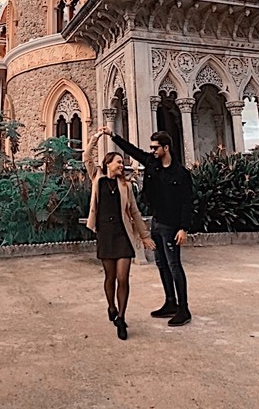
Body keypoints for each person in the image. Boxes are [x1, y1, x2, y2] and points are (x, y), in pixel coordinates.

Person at [101, 127, 193, 327]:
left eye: (155, 147)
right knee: (161, 264)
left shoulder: (181, 173)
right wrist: (113, 135)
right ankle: (170, 302)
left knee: (174, 265)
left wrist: (183, 228)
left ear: (165, 148)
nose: (152, 151)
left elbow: (187, 202)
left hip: (172, 225)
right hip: (158, 222)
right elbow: (132, 150)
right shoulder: (152, 164)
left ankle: (183, 309)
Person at [83, 130, 155, 340]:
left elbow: (134, 211)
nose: (121, 165)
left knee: (123, 278)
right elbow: (86, 156)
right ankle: (111, 307)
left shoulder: (125, 185)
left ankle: (122, 318)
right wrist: (97, 137)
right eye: (117, 162)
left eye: (122, 162)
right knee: (110, 277)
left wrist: (144, 235)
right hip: (105, 233)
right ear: (108, 164)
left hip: (122, 233)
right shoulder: (97, 177)